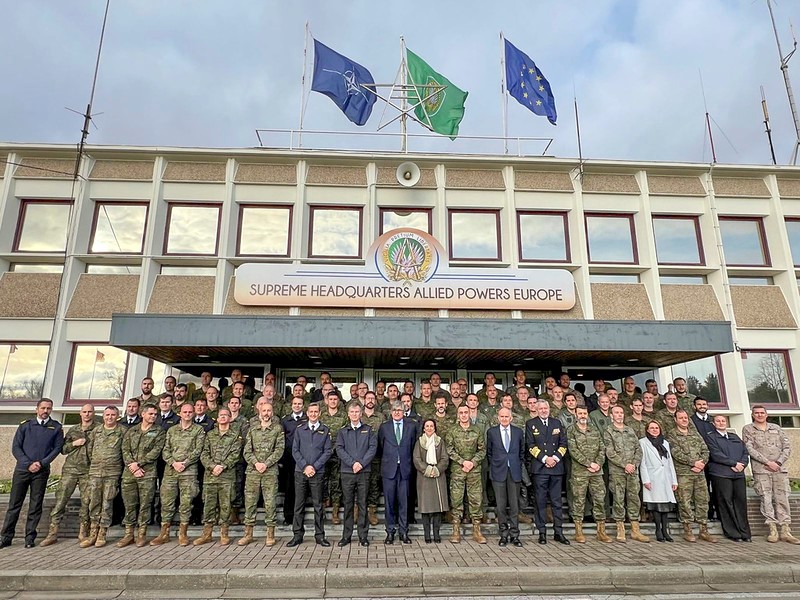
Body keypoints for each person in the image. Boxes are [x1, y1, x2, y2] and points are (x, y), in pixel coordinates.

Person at [1, 399, 63, 549]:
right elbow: (16, 447)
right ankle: (6, 537)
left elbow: (56, 449)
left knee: (35, 505)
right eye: (43, 408)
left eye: (48, 408)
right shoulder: (25, 426)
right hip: (22, 470)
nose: (45, 411)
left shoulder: (55, 427)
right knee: (14, 504)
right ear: (37, 409)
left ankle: (29, 538)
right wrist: (28, 463)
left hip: (41, 472)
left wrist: (41, 463)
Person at [39, 403, 95, 546]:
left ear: (93, 413)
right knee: (60, 500)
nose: (87, 414)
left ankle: (83, 532)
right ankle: (53, 533)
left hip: (88, 471)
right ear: (80, 413)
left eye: (90, 411)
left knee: (87, 502)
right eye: (84, 412)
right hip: (71, 469)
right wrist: (74, 444)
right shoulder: (73, 430)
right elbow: (63, 449)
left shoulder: (98, 429)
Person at [743, 405, 800, 544]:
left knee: (782, 498)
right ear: (752, 415)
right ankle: (772, 529)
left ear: (766, 414)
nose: (760, 415)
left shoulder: (776, 428)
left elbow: (786, 447)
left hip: (779, 470)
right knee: (766, 498)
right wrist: (768, 462)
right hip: (762, 470)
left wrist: (778, 463)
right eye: (756, 413)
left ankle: (786, 530)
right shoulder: (748, 429)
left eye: (762, 413)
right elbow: (749, 448)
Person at [150, 403, 205, 547]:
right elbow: (165, 449)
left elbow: (198, 450)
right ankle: (164, 533)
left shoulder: (198, 430)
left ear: (193, 414)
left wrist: (184, 463)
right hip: (171, 471)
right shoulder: (172, 430)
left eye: (190, 412)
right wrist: (173, 463)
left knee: (186, 502)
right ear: (179, 413)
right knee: (167, 501)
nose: (187, 414)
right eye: (185, 411)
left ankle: (183, 533)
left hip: (188, 471)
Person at [193, 407, 244, 547]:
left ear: (230, 418)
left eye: (225, 415)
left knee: (225, 505)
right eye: (220, 415)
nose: (223, 417)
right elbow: (203, 453)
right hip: (210, 476)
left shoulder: (235, 436)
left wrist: (222, 466)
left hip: (227, 476)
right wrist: (212, 466)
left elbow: (235, 455)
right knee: (209, 505)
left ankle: (224, 533)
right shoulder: (209, 435)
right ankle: (207, 534)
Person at [117, 403, 166, 548]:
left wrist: (139, 464)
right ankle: (129, 534)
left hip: (147, 473)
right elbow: (125, 449)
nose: (153, 416)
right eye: (150, 414)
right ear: (143, 414)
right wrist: (132, 465)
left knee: (145, 504)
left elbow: (156, 451)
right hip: (129, 473)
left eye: (155, 414)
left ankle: (141, 534)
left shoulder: (159, 431)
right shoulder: (132, 431)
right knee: (129, 504)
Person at [238, 402, 284, 547]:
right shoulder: (253, 429)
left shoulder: (277, 429)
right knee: (250, 503)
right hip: (253, 471)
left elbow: (279, 449)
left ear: (272, 412)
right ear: (259, 411)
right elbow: (247, 450)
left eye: (269, 410)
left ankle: (270, 534)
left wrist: (266, 463)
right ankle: (248, 534)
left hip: (270, 472)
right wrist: (256, 463)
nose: (266, 413)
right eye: (264, 410)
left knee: (270, 503)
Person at [668, 409, 716, 543]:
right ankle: (687, 529)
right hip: (684, 473)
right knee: (685, 501)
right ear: (675, 420)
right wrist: (692, 462)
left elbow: (705, 449)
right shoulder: (672, 434)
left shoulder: (695, 434)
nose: (684, 420)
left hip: (699, 473)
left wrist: (701, 463)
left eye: (685, 418)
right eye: (681, 418)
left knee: (702, 500)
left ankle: (703, 530)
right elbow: (675, 452)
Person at [288, 403, 333, 547]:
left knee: (318, 505)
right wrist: (305, 466)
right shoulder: (300, 430)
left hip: (317, 472)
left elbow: (327, 451)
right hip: (301, 472)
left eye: (316, 412)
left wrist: (314, 466)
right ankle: (297, 535)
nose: (313, 414)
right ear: (307, 413)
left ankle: (320, 536)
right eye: (311, 412)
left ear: (320, 413)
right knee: (298, 505)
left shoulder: (325, 430)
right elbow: (295, 450)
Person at [81, 406, 125, 548]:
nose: (110, 417)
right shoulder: (96, 431)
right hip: (95, 472)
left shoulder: (122, 431)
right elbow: (89, 450)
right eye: (107, 415)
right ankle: (93, 533)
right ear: (103, 416)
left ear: (117, 416)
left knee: (107, 503)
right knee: (94, 502)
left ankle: (102, 533)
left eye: (113, 415)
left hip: (112, 473)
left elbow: (125, 452)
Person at [603, 406, 649, 543]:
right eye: (616, 413)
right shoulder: (608, 431)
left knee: (634, 498)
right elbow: (609, 452)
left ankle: (635, 529)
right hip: (618, 471)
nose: (619, 415)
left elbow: (638, 449)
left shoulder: (630, 430)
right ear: (612, 416)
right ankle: (620, 527)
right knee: (618, 498)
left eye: (621, 412)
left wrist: (634, 464)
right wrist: (625, 465)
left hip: (632, 471)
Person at [527, 399, 569, 545]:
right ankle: (542, 532)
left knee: (557, 502)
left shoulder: (556, 423)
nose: (544, 410)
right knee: (540, 502)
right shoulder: (531, 424)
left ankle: (559, 532)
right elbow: (530, 445)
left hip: (556, 468)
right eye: (541, 408)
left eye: (546, 408)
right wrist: (545, 458)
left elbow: (563, 444)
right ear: (536, 409)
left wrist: (555, 458)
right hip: (540, 468)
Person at [567, 406, 612, 544]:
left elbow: (602, 447)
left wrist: (597, 463)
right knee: (579, 501)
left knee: (599, 499)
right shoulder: (571, 430)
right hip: (580, 473)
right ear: (575, 414)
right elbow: (573, 450)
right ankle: (578, 531)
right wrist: (588, 464)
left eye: (584, 413)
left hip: (596, 472)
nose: (582, 415)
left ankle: (601, 531)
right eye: (580, 413)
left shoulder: (594, 429)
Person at [336, 402, 377, 547]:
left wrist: (361, 463)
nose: (354, 414)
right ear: (348, 414)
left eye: (357, 412)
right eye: (352, 412)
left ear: (361, 414)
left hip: (363, 472)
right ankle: (346, 536)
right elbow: (339, 449)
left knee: (362, 503)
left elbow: (372, 448)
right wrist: (352, 463)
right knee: (347, 504)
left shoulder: (369, 430)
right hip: (347, 472)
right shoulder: (342, 431)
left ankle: (363, 536)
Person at [706, 415, 751, 542]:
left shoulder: (734, 436)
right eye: (718, 421)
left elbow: (745, 452)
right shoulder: (710, 437)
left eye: (723, 421)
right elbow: (716, 454)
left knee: (740, 502)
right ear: (713, 424)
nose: (721, 423)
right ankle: (732, 533)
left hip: (738, 474)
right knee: (726, 502)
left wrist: (742, 464)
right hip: (721, 474)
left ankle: (745, 533)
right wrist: (733, 464)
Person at [378, 400, 418, 544]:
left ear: (404, 411)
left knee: (404, 503)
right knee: (389, 503)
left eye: (399, 410)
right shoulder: (384, 427)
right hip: (389, 470)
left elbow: (414, 446)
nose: (396, 412)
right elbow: (380, 447)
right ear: (390, 411)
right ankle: (390, 532)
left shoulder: (412, 426)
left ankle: (403, 532)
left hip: (405, 470)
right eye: (394, 410)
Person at [446, 404, 487, 544]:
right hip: (458, 471)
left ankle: (477, 530)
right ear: (458, 414)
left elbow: (482, 450)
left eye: (466, 412)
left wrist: (472, 462)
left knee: (476, 500)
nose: (463, 415)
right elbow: (449, 449)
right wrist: (463, 462)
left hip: (474, 471)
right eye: (461, 412)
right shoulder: (452, 431)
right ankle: (456, 530)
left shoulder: (477, 430)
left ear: (470, 413)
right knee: (456, 500)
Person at [487, 408, 525, 547]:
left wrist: (515, 464)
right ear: (498, 418)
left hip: (514, 471)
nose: (504, 419)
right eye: (501, 416)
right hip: (498, 472)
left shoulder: (518, 432)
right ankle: (503, 534)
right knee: (501, 506)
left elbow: (522, 452)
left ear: (511, 418)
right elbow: (489, 453)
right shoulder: (492, 432)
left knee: (514, 506)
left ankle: (515, 535)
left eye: (506, 416)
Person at [638, 421, 678, 542]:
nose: (655, 430)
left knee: (665, 505)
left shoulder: (664, 443)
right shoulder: (643, 442)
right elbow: (643, 463)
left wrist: (674, 481)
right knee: (655, 505)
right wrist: (646, 480)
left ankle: (665, 530)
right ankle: (658, 530)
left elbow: (670, 463)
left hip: (665, 477)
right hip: (652, 477)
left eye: (657, 428)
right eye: (652, 428)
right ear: (647, 430)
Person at [413, 418, 449, 544]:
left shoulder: (440, 442)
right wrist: (427, 469)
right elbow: (416, 459)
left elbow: (445, 458)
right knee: (426, 508)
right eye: (427, 426)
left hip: (438, 476)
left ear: (434, 428)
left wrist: (437, 469)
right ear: (423, 428)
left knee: (437, 509)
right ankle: (427, 535)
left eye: (431, 426)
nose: (429, 428)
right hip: (424, 477)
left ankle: (437, 534)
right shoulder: (419, 442)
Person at [279, 397, 307, 526]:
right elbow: (282, 441)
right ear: (291, 405)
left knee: (304, 488)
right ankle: (289, 516)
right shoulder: (285, 420)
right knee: (290, 489)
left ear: (303, 404)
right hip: (290, 459)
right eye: (295, 403)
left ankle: (301, 515)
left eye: (299, 403)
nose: (297, 405)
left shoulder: (307, 419)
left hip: (305, 458)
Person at [361, 391, 385, 526]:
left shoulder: (381, 417)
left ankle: (372, 510)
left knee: (374, 483)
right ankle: (358, 509)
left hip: (376, 456)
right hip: (360, 456)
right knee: (360, 483)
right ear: (364, 400)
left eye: (372, 398)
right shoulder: (359, 415)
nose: (370, 400)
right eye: (368, 398)